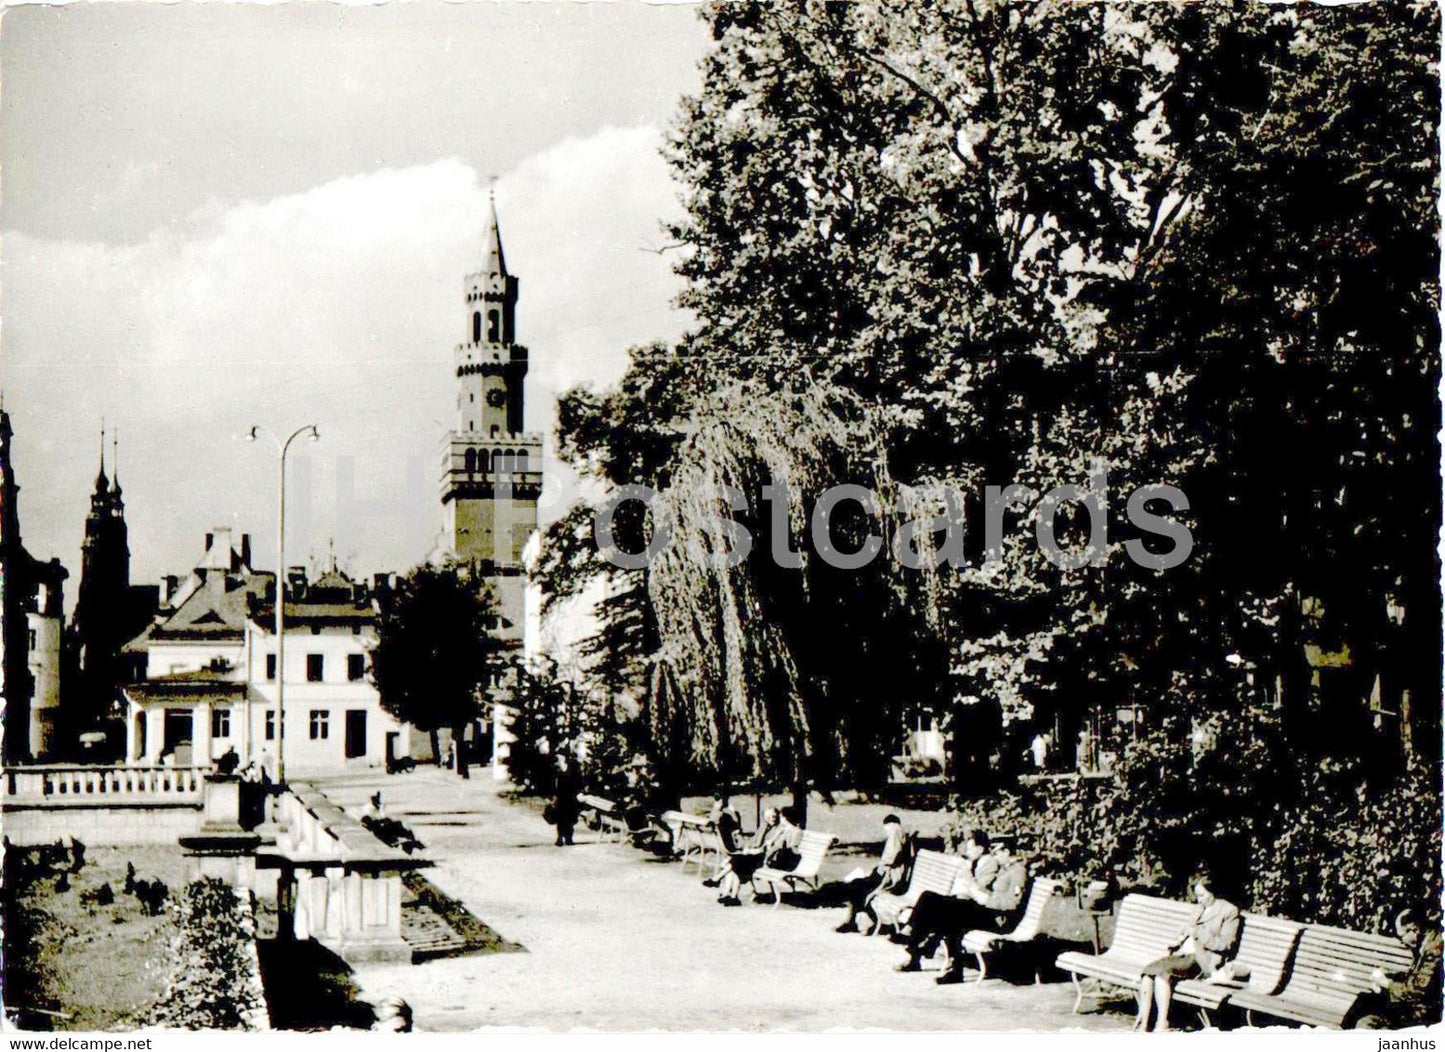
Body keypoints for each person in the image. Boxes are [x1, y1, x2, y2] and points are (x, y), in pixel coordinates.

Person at [898, 833, 1027, 984]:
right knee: (931, 899)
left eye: (997, 852)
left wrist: (986, 899)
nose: (995, 856)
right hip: (986, 911)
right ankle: (920, 949)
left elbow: (1012, 904)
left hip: (997, 919)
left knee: (953, 915)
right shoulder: (1006, 869)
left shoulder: (1018, 872)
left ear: (1007, 852)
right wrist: (979, 892)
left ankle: (929, 953)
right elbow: (991, 892)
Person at [1135, 870, 1241, 1031]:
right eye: (1197, 896)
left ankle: (1162, 1023)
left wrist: (1198, 933)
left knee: (1162, 974)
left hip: (1203, 959)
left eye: (1202, 895)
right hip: (1183, 954)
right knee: (1148, 972)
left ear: (1213, 892)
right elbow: (1187, 930)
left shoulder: (1229, 911)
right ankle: (1143, 1023)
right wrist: (1179, 939)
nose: (1199, 900)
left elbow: (1225, 945)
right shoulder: (1199, 908)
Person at [1355, 906, 1443, 1029]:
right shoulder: (1425, 944)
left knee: (1366, 1016)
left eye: (1401, 937)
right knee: (1364, 1000)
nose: (1402, 942)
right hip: (1415, 1006)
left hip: (1423, 1013)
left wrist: (1387, 983)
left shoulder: (1435, 949)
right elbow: (1417, 979)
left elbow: (1417, 991)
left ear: (1414, 930)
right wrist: (1389, 977)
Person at [836, 814, 913, 934]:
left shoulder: (896, 831)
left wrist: (880, 868)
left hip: (890, 878)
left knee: (858, 887)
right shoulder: (901, 833)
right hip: (889, 875)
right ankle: (853, 921)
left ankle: (855, 922)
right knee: (857, 884)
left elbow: (890, 857)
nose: (886, 831)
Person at [712, 806, 796, 906]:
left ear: (778, 816)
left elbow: (772, 848)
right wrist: (748, 849)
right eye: (767, 818)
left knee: (734, 863)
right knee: (735, 863)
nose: (771, 820)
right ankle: (729, 895)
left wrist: (756, 851)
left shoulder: (778, 830)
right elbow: (754, 840)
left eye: (773, 817)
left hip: (763, 859)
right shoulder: (764, 827)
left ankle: (724, 888)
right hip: (755, 857)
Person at [549, 757, 582, 847]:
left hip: (566, 799)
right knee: (565, 820)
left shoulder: (566, 772)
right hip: (565, 799)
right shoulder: (558, 771)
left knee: (565, 820)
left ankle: (564, 838)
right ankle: (564, 838)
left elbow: (577, 784)